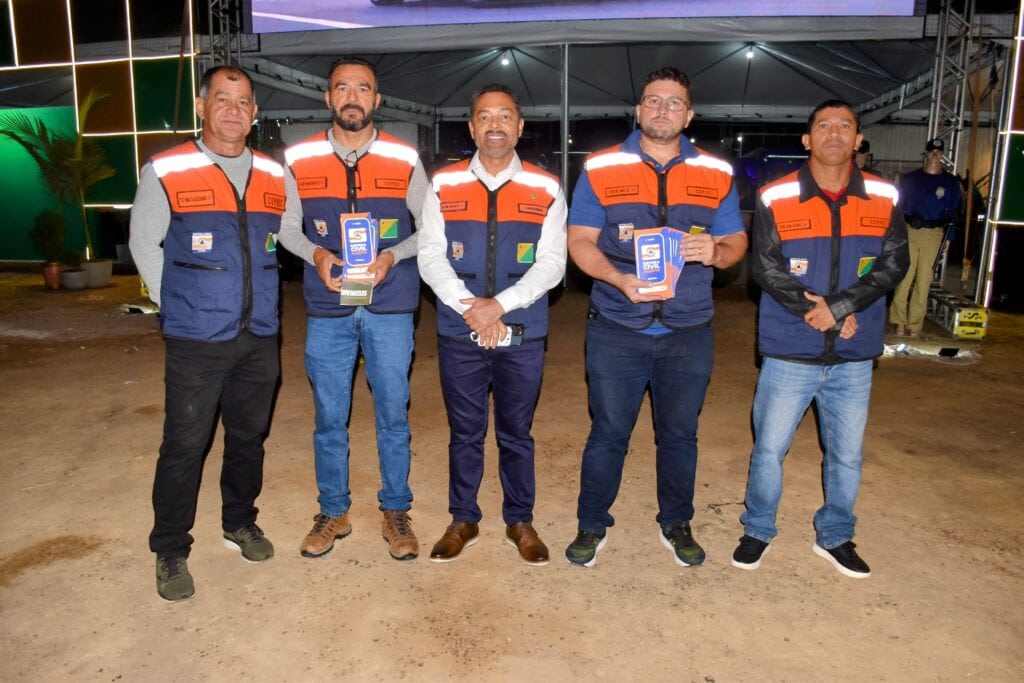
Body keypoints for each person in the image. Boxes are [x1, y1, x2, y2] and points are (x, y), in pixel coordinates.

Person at [564, 66, 748, 568]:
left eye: (673, 102)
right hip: (617, 326)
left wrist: (717, 252)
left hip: (688, 329)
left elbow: (736, 240)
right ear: (638, 109)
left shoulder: (716, 172)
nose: (662, 109)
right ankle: (591, 522)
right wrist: (617, 279)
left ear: (689, 115)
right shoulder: (601, 167)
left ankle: (676, 522)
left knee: (680, 436)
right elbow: (579, 241)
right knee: (608, 432)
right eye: (653, 100)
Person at [732, 99, 909, 579]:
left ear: (858, 139)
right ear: (807, 139)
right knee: (769, 449)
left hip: (853, 352)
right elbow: (766, 268)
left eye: (845, 126)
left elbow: (895, 263)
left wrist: (841, 307)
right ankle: (758, 529)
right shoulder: (776, 195)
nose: (834, 133)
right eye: (824, 125)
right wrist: (824, 313)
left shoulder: (883, 195)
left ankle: (835, 535)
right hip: (791, 348)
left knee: (846, 454)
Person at [130, 66, 285, 602]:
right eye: (222, 99)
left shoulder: (272, 173)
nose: (233, 110)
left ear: (255, 112)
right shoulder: (168, 168)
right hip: (196, 338)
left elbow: (290, 234)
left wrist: (329, 254)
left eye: (243, 102)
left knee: (248, 438)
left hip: (259, 334)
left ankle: (239, 521)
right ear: (202, 107)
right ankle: (170, 547)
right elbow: (144, 243)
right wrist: (175, 303)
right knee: (184, 443)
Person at [278, 57, 428, 561]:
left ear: (377, 99)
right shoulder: (299, 157)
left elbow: (430, 229)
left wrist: (392, 256)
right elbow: (287, 227)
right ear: (328, 97)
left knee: (392, 414)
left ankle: (396, 511)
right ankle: (333, 512)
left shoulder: (404, 157)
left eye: (363, 88)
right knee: (329, 416)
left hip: (391, 303)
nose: (352, 97)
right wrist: (316, 255)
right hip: (328, 305)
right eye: (342, 87)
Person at [418, 83, 567, 566]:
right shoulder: (443, 184)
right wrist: (471, 307)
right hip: (459, 327)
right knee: (464, 431)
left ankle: (519, 520)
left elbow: (552, 263)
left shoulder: (547, 187)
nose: (495, 125)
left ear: (519, 127)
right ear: (472, 127)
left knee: (515, 432)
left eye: (505, 116)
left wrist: (498, 305)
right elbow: (429, 255)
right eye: (485, 116)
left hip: (522, 330)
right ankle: (463, 519)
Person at [889, 138, 962, 337]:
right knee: (904, 277)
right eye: (932, 152)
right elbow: (898, 207)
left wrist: (949, 236)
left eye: (938, 152)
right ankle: (899, 322)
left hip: (934, 233)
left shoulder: (950, 182)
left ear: (943, 154)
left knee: (924, 280)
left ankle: (915, 325)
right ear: (926, 153)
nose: (935, 155)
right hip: (910, 230)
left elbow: (954, 212)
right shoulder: (910, 179)